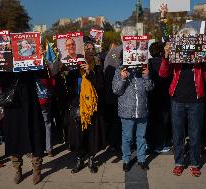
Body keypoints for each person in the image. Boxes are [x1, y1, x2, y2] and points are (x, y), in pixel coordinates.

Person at [159, 4, 206, 177]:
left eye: (189, 38)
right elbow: (163, 74)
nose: (186, 40)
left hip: (196, 101)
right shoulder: (175, 56)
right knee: (177, 135)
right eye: (183, 37)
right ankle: (178, 162)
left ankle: (195, 163)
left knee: (195, 134)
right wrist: (166, 56)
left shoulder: (200, 59)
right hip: (177, 100)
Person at [0, 66, 46, 185]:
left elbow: (43, 74)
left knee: (35, 135)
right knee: (14, 137)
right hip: (12, 106)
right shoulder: (4, 60)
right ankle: (17, 168)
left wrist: (41, 59)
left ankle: (37, 168)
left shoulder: (29, 54)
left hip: (30, 103)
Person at [113, 42, 154, 172]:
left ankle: (141, 159)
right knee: (127, 137)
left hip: (142, 109)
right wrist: (122, 78)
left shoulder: (143, 69)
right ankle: (126, 159)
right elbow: (116, 90)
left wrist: (147, 76)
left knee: (141, 137)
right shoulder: (120, 70)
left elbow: (150, 87)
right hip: (127, 111)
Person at [66, 42, 106, 174]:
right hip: (78, 108)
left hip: (92, 108)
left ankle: (91, 159)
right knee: (78, 136)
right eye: (86, 49)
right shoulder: (74, 69)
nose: (89, 51)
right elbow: (69, 89)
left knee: (92, 136)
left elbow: (100, 87)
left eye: (91, 49)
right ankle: (79, 159)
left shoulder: (98, 68)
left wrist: (89, 72)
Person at [146, 41, 172, 153]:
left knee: (151, 120)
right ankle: (162, 144)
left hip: (151, 95)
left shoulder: (147, 63)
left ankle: (151, 143)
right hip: (165, 95)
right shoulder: (166, 62)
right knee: (164, 121)